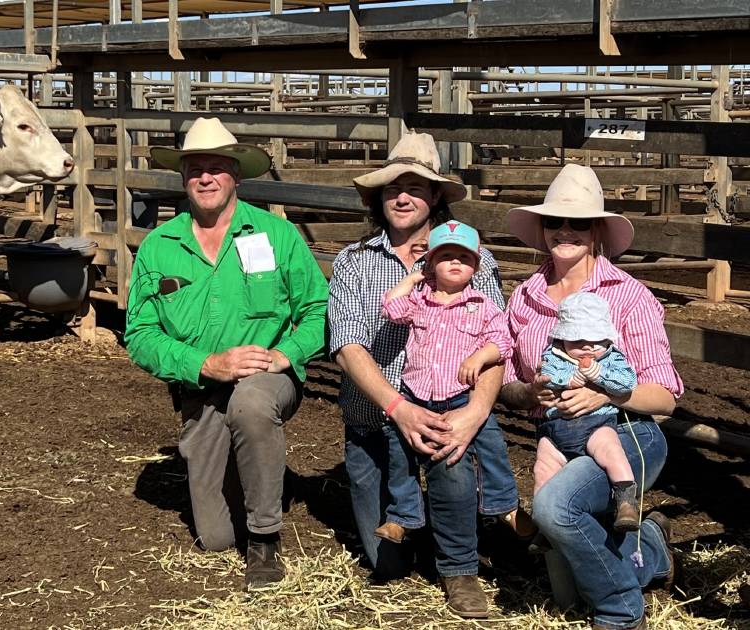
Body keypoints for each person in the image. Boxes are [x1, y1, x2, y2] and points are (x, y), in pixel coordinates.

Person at [327, 131, 529, 619]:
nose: (403, 197)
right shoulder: (355, 262)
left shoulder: (472, 260)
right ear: (378, 196)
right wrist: (398, 408)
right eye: (393, 187)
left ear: (435, 196)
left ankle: (460, 569)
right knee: (388, 564)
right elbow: (347, 346)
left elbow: (493, 342)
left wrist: (476, 411)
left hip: (448, 407)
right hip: (377, 418)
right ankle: (424, 521)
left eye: (416, 187)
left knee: (453, 463)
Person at [126, 117, 329, 590]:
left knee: (252, 404)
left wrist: (287, 355)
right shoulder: (160, 246)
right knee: (215, 537)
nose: (206, 177)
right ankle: (267, 476)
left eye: (217, 167)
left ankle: (265, 539)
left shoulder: (274, 235)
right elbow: (139, 333)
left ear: (236, 175)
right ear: (182, 177)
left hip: (266, 379)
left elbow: (319, 307)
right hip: (203, 387)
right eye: (196, 168)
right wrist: (204, 364)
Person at [498, 163, 683, 630]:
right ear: (541, 230)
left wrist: (606, 394)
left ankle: (621, 611)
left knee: (554, 509)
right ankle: (653, 551)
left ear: (597, 231)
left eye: (578, 222)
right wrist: (528, 389)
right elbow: (507, 383)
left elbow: (664, 398)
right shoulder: (525, 296)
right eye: (554, 221)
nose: (565, 231)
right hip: (557, 437)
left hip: (627, 433)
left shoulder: (629, 296)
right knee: (566, 593)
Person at [374, 220, 513, 545]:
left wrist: (479, 358)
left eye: (464, 258)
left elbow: (502, 342)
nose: (455, 262)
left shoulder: (482, 306)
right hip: (416, 393)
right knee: (398, 450)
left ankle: (503, 503)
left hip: (460, 396)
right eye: (446, 256)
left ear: (475, 267)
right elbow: (390, 308)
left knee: (491, 443)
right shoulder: (419, 300)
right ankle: (403, 515)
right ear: (431, 263)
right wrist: (411, 280)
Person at [535, 292, 639, 531]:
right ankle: (542, 523)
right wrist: (568, 378)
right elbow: (546, 376)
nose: (587, 347)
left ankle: (626, 502)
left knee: (612, 452)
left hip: (596, 424)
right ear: (563, 339)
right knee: (542, 468)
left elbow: (627, 383)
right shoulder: (553, 355)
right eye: (576, 340)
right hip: (556, 428)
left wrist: (599, 375)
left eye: (594, 339)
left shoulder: (612, 358)